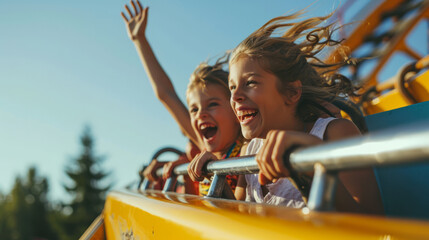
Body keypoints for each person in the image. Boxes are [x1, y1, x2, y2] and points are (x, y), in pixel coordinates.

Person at [228, 11, 383, 213]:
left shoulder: (334, 133)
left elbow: (372, 223)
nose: (236, 96)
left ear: (292, 92)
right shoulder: (249, 150)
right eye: (231, 87)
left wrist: (315, 167)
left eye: (250, 83)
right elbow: (237, 213)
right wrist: (215, 175)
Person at [121, 0, 244, 198]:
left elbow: (242, 211)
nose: (201, 113)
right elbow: (165, 94)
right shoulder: (202, 145)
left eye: (212, 104)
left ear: (235, 109)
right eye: (193, 109)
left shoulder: (245, 147)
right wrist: (139, 40)